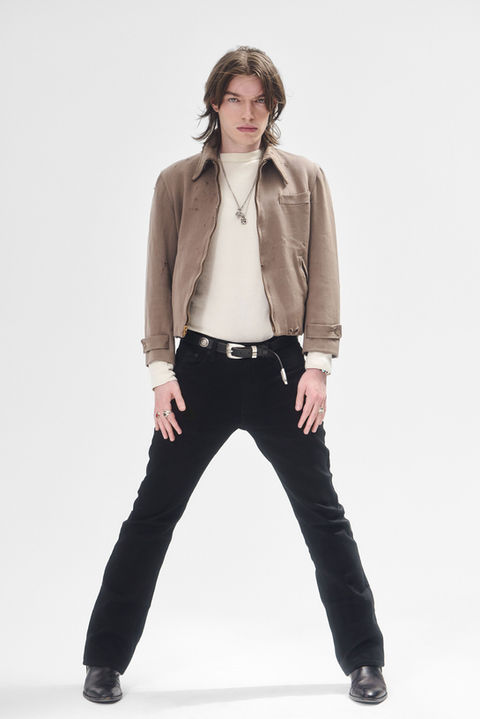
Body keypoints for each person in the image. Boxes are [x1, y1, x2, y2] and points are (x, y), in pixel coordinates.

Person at [82, 45, 387, 705]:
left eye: (260, 102)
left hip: (281, 372)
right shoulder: (177, 182)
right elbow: (158, 277)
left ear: (273, 108)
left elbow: (325, 273)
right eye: (234, 100)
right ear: (215, 104)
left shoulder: (304, 178)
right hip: (197, 372)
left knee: (323, 514)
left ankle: (365, 660)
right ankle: (103, 659)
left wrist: (318, 365)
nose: (248, 113)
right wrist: (160, 370)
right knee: (152, 513)